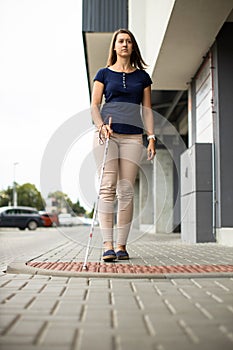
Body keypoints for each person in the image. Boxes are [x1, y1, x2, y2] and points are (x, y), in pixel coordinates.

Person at [91, 28, 156, 261]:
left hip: (132, 137)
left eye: (128, 41)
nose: (125, 44)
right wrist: (101, 126)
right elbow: (94, 106)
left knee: (126, 190)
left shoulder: (142, 77)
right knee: (107, 187)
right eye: (120, 41)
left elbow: (147, 110)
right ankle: (107, 245)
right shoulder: (103, 74)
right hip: (107, 135)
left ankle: (121, 246)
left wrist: (151, 137)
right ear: (114, 46)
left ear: (132, 46)